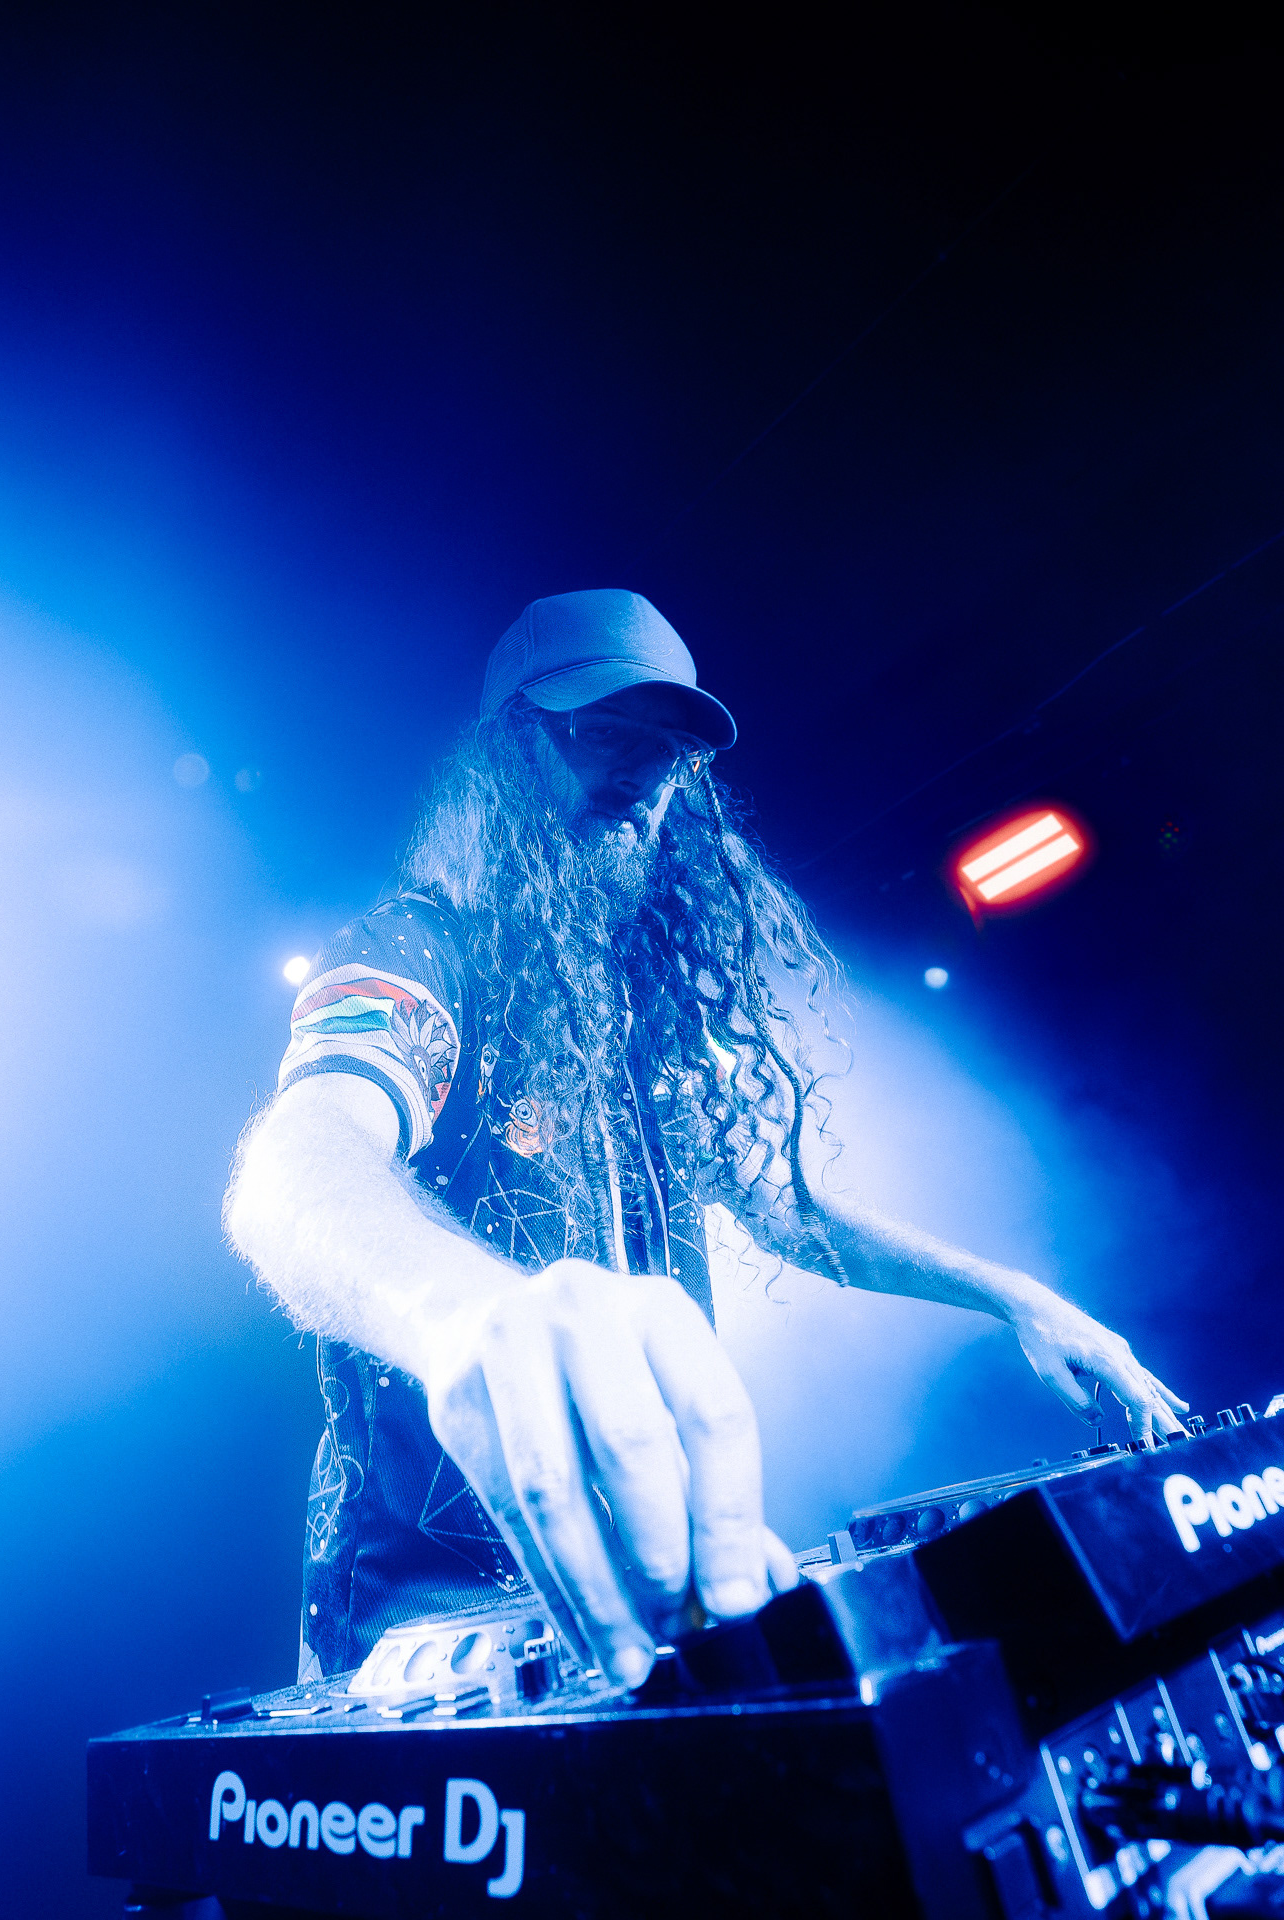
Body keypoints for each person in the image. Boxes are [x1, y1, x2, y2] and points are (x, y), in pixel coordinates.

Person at [224, 588, 1187, 1689]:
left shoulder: (647, 1014)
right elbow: (298, 1165)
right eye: (605, 732)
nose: (644, 777)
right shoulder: (417, 951)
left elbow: (790, 1213)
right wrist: (463, 1311)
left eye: (670, 751)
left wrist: (1016, 1296)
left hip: (655, 1586)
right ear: (510, 753)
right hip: (432, 1624)